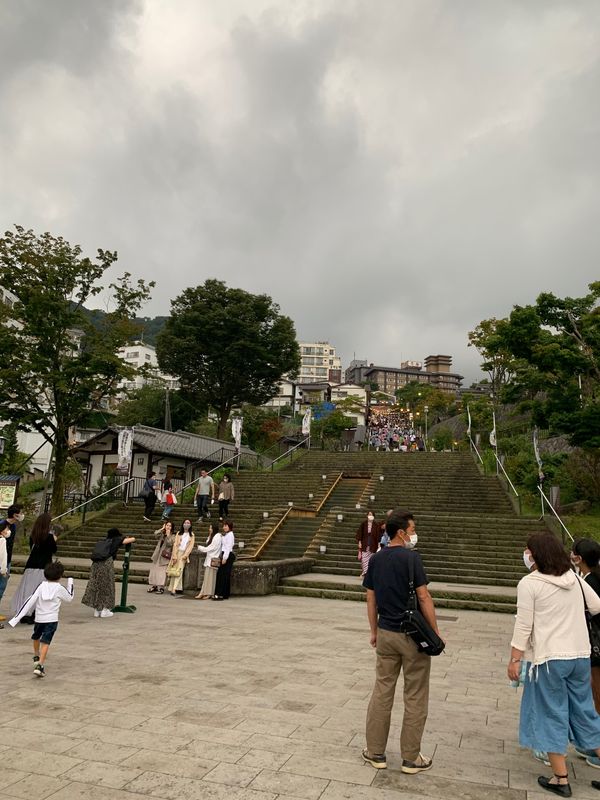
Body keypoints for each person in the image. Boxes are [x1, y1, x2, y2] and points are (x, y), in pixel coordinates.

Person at [508, 532, 600, 796]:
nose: (526, 555)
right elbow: (596, 606)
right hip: (579, 656)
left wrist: (515, 659)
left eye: (528, 550)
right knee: (586, 713)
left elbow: (523, 625)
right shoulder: (574, 579)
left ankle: (561, 778)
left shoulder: (530, 583)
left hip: (550, 659)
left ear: (537, 554)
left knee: (551, 713)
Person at [362, 509, 441, 774]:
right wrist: (435, 631)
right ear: (400, 532)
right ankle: (411, 757)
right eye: (412, 530)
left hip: (386, 632)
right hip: (412, 636)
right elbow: (424, 597)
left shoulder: (376, 559)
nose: (414, 534)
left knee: (382, 690)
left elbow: (371, 598)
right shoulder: (412, 558)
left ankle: (375, 752)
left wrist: (374, 631)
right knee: (415, 694)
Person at [9, 561, 74, 678]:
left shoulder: (41, 586)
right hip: (51, 619)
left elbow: (30, 601)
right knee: (46, 642)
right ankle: (40, 665)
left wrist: (17, 618)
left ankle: (36, 656)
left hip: (39, 619)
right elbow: (69, 598)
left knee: (36, 637)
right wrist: (70, 582)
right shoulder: (59, 588)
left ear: (45, 574)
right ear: (60, 576)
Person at [10, 514, 59, 623]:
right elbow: (53, 550)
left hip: (31, 566)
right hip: (43, 567)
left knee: (27, 590)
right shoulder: (49, 537)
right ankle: (33, 614)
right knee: (39, 591)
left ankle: (24, 613)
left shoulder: (33, 535)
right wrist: (54, 539)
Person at [571, 539, 600, 716]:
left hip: (595, 641)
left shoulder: (590, 582)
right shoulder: (591, 577)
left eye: (573, 553)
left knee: (597, 688)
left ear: (579, 558)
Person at [81, 528, 136, 618]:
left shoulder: (104, 541)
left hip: (95, 565)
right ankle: (105, 610)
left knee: (96, 586)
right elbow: (132, 539)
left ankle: (97, 610)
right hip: (106, 564)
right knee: (107, 586)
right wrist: (127, 537)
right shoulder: (116, 540)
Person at [195, 523, 223, 599]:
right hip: (209, 560)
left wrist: (201, 548)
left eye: (210, 528)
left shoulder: (217, 537)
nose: (209, 529)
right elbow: (208, 543)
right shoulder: (214, 536)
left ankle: (209, 593)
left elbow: (211, 547)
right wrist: (210, 535)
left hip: (213, 560)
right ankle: (203, 592)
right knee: (207, 578)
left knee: (210, 579)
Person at [167, 520, 195, 595]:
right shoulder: (179, 533)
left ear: (190, 525)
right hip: (177, 553)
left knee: (179, 571)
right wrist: (174, 555)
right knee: (174, 571)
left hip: (183, 554)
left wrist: (185, 555)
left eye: (188, 523)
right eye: (185, 523)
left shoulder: (192, 535)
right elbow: (175, 544)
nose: (186, 524)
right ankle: (172, 587)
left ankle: (174, 588)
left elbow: (190, 546)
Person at [148, 521, 175, 594]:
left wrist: (168, 535)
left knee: (162, 573)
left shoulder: (173, 536)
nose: (168, 527)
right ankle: (154, 586)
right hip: (157, 555)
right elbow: (155, 534)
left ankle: (161, 588)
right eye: (167, 525)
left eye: (170, 526)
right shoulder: (162, 533)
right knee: (154, 571)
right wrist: (162, 529)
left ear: (172, 527)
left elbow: (170, 544)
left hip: (164, 556)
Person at [213, 520, 235, 601]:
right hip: (225, 554)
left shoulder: (230, 535)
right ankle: (224, 594)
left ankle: (220, 594)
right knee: (223, 575)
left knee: (222, 575)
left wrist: (225, 558)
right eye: (224, 526)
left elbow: (228, 547)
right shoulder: (227, 535)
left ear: (229, 526)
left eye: (226, 526)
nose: (224, 527)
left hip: (227, 555)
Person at [356, 512, 379, 577]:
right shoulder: (364, 523)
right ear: (367, 515)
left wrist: (378, 543)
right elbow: (360, 533)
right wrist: (359, 542)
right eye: (369, 514)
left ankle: (368, 573)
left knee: (371, 559)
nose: (370, 516)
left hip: (373, 544)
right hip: (365, 542)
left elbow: (378, 535)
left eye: (371, 514)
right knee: (364, 559)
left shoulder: (376, 524)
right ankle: (366, 572)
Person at [0, 521, 10, 629]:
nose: (8, 531)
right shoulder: (2, 540)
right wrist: (4, 571)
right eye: (6, 529)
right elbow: (3, 558)